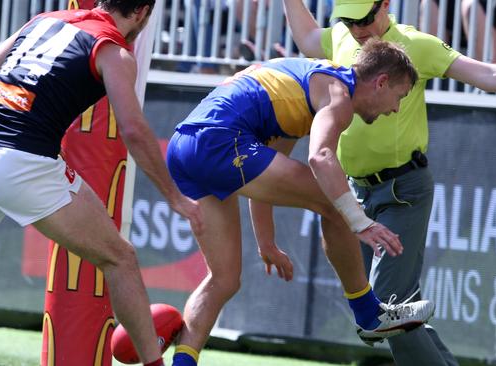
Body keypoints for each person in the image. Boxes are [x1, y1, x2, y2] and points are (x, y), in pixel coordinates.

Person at [0, 1, 203, 366]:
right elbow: (134, 130)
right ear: (142, 13)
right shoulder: (114, 50)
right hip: (24, 160)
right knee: (120, 258)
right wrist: (177, 199)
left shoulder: (43, 19)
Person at [282, 0, 496, 365]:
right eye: (349, 19)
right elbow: (309, 37)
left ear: (385, 5)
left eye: (365, 18)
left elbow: (487, 74)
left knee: (387, 306)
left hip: (402, 191)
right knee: (392, 309)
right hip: (355, 191)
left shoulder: (413, 43)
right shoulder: (341, 35)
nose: (358, 28)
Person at [166, 39, 435, 366]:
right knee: (335, 200)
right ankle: (369, 313)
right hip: (218, 141)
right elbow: (321, 158)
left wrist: (266, 241)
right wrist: (359, 221)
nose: (395, 108)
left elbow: (266, 168)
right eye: (399, 96)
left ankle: (182, 362)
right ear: (380, 82)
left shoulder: (301, 85)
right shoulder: (339, 94)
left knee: (223, 280)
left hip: (184, 147)